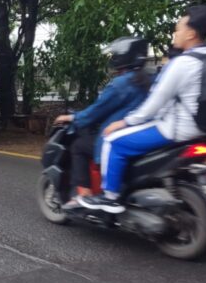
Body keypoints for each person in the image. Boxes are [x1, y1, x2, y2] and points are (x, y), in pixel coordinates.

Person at [79, 5, 206, 213]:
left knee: (112, 140)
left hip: (176, 129)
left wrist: (124, 122)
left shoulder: (183, 63)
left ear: (191, 34)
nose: (175, 33)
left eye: (178, 29)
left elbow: (154, 105)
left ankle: (110, 197)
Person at [54, 37, 151, 209]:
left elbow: (96, 111)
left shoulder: (121, 84)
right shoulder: (151, 79)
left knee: (78, 146)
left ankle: (83, 195)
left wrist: (72, 118)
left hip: (118, 135)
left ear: (121, 57)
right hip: (145, 135)